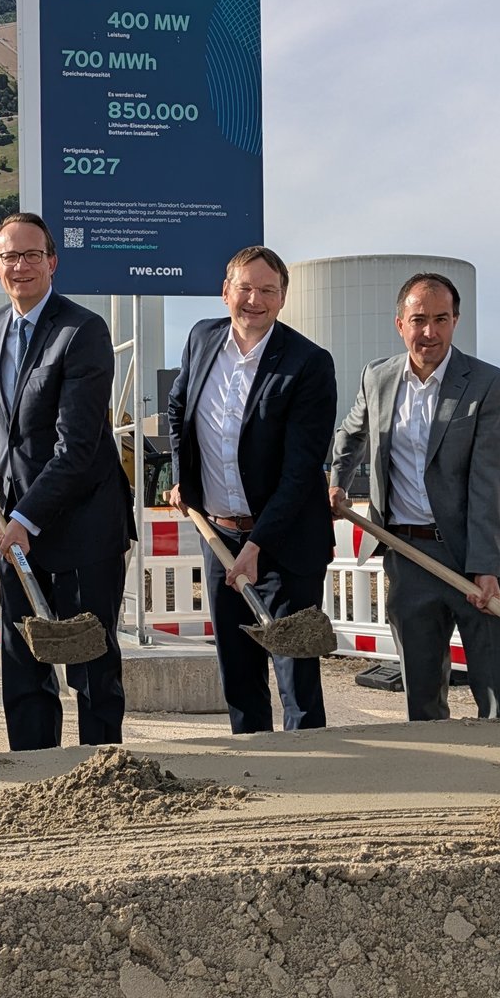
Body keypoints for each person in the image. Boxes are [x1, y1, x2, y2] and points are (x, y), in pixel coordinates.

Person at [0, 212, 133, 750]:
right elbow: (0, 409)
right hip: (19, 519)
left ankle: (103, 769)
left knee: (89, 660)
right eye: (11, 256)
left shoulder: (82, 331)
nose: (22, 265)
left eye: (33, 255)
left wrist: (26, 517)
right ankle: (33, 766)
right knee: (24, 655)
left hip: (82, 523)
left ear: (53, 262)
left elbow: (77, 447)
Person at [328, 273, 500, 720]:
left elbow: (492, 480)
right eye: (419, 320)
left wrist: (486, 567)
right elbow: (350, 434)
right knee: (422, 695)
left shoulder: (487, 384)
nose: (429, 332)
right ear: (400, 324)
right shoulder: (378, 377)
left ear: (455, 321)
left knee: (496, 697)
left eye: (440, 319)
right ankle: (440, 784)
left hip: (472, 557)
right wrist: (337, 479)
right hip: (406, 553)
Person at [163, 246, 337, 732]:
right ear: (225, 292)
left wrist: (259, 544)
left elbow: (301, 471)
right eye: (245, 288)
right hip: (219, 536)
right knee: (237, 669)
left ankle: (310, 765)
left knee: (294, 669)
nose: (254, 300)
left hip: (286, 542)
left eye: (267, 291)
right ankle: (253, 764)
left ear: (283, 298)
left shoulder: (308, 364)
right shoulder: (202, 339)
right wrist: (182, 476)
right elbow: (177, 409)